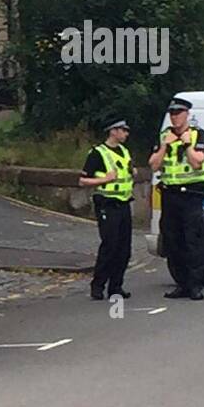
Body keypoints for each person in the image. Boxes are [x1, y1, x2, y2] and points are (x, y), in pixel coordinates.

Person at [148, 97, 204, 300]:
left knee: (192, 240)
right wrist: (165, 147)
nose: (174, 117)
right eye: (172, 114)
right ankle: (181, 284)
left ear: (187, 114)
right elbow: (154, 165)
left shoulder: (197, 134)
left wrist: (186, 145)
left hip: (191, 195)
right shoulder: (163, 136)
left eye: (178, 113)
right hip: (170, 195)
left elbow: (197, 162)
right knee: (173, 241)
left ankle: (195, 286)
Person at [79, 118, 134, 301]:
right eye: (123, 130)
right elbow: (83, 181)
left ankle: (116, 286)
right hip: (107, 204)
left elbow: (126, 172)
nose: (126, 134)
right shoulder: (97, 153)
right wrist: (104, 180)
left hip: (124, 203)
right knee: (109, 246)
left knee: (124, 249)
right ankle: (98, 285)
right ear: (113, 131)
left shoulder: (124, 151)